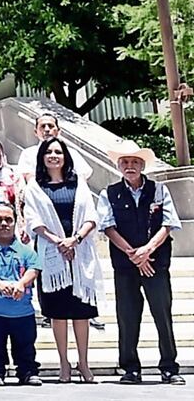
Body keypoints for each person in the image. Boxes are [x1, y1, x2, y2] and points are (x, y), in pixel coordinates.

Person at [97, 143, 184, 385]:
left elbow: (168, 224)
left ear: (143, 165)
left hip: (156, 261)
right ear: (119, 166)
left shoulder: (159, 190)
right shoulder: (109, 193)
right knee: (127, 316)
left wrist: (147, 251)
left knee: (162, 314)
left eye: (135, 162)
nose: (130, 166)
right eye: (125, 162)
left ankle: (169, 367)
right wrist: (133, 255)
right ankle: (130, 368)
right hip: (125, 265)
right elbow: (108, 226)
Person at [20, 138, 101, 384]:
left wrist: (75, 239)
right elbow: (33, 220)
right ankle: (63, 363)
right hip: (52, 252)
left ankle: (83, 363)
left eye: (58, 152)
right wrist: (59, 242)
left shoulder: (79, 184)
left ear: (65, 156)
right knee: (58, 312)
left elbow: (90, 215)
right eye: (49, 152)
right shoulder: (35, 186)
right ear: (42, 158)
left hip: (79, 252)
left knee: (81, 311)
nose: (54, 156)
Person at [0, 202, 43, 387]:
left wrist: (21, 284)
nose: (4, 223)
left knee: (26, 346)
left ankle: (27, 372)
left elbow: (34, 269)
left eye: (8, 220)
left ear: (15, 223)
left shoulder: (26, 250)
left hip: (23, 312)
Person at [15, 113, 90, 176]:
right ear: (35, 132)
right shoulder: (28, 154)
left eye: (50, 126)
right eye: (43, 126)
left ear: (58, 131)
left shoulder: (72, 153)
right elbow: (26, 177)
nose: (47, 130)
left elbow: (82, 177)